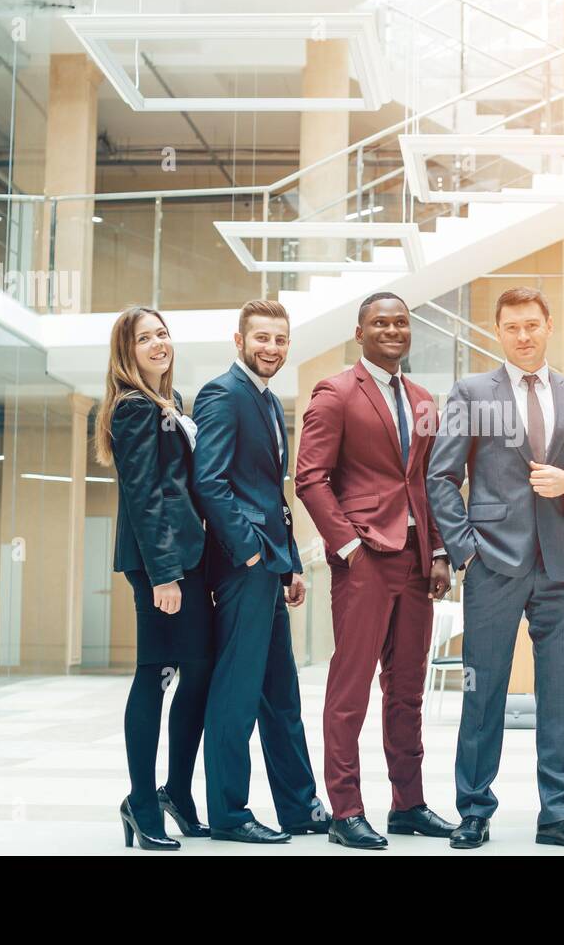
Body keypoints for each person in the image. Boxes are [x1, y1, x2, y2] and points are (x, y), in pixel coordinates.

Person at [427, 286, 564, 851]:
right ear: (500, 331)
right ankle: (475, 810)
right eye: (512, 327)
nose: (524, 335)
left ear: (548, 325)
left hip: (563, 565)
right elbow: (440, 477)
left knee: (561, 693)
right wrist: (466, 550)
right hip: (493, 563)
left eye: (532, 324)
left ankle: (557, 812)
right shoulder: (471, 391)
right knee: (484, 690)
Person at [295, 292, 455, 850]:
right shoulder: (335, 393)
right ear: (359, 332)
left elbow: (429, 484)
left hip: (416, 564)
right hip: (364, 559)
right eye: (379, 322)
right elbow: (310, 479)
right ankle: (345, 811)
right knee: (350, 690)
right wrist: (346, 549)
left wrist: (436, 553)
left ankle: (408, 805)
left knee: (406, 690)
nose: (392, 329)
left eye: (400, 322)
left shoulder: (423, 398)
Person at [192, 298, 329, 843]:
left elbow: (274, 494)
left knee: (280, 693)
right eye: (262, 338)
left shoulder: (269, 402)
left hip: (269, 566)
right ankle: (228, 813)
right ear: (239, 340)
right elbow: (210, 482)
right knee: (237, 692)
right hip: (241, 568)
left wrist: (289, 563)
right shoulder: (223, 395)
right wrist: (250, 553)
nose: (271, 347)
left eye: (280, 339)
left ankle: (299, 807)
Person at [95, 306, 213, 851]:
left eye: (163, 334)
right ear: (128, 350)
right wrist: (165, 575)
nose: (159, 343)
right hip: (159, 565)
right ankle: (143, 801)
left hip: (186, 558)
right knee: (155, 673)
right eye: (146, 338)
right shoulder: (134, 409)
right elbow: (144, 497)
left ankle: (177, 795)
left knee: (196, 673)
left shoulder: (172, 402)